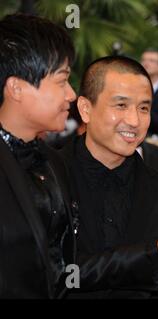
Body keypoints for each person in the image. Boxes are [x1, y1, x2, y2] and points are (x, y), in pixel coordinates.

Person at [60, 56, 158, 298]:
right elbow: (50, 273)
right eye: (121, 105)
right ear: (85, 109)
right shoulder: (51, 176)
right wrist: (151, 256)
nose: (134, 121)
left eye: (144, 108)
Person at [0, 13, 78, 298]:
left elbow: (64, 264)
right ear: (16, 88)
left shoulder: (55, 161)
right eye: (61, 81)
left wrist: (152, 254)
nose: (71, 94)